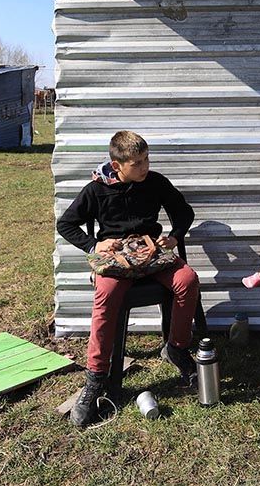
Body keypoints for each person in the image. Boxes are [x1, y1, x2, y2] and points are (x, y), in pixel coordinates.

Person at [56, 130, 199, 427]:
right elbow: (66, 224)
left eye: (146, 159)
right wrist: (94, 246)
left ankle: (177, 348)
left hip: (151, 253)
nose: (144, 167)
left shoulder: (155, 181)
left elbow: (183, 212)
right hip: (116, 260)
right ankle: (96, 379)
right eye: (137, 163)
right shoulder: (96, 190)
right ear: (117, 164)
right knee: (106, 298)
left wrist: (174, 236)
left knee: (187, 280)